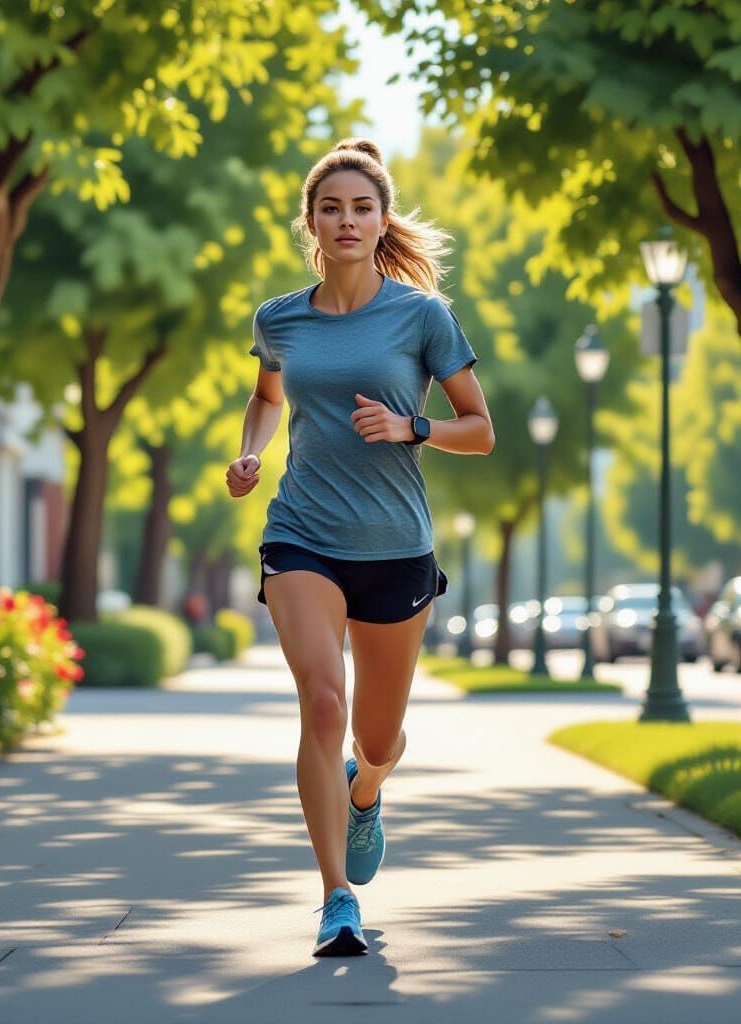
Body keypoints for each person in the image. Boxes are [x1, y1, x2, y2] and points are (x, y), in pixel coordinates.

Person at [224, 138, 495, 957]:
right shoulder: (280, 317)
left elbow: (480, 431)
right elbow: (267, 394)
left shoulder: (421, 316)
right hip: (301, 532)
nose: (347, 220)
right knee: (322, 702)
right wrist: (251, 450)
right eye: (332, 208)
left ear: (383, 221)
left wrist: (414, 426)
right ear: (311, 221)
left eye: (362, 207)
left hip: (395, 547)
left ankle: (367, 789)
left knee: (375, 739)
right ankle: (336, 897)